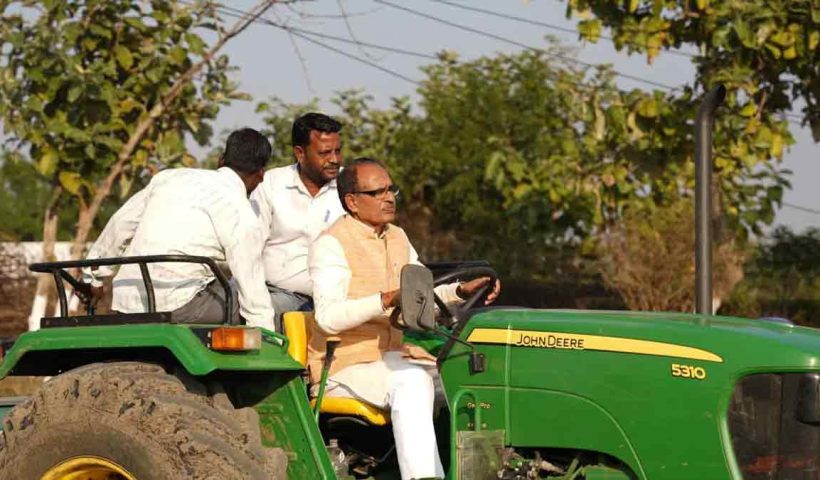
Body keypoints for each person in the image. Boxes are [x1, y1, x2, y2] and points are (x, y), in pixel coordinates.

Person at [307, 157, 501, 480]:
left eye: (391, 189)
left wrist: (462, 292)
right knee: (412, 382)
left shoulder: (398, 237)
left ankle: (487, 472)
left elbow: (424, 298)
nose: (389, 198)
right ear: (352, 202)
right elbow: (327, 317)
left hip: (397, 356)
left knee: (470, 375)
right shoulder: (330, 244)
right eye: (378, 192)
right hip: (343, 365)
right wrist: (385, 300)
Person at [79, 128, 276, 330]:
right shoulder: (240, 209)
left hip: (128, 299)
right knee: (269, 303)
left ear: (221, 159)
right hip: (180, 305)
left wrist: (93, 276)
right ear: (261, 174)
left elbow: (121, 224)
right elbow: (249, 278)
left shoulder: (169, 177)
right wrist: (265, 332)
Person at [250, 113, 345, 330]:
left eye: (337, 151)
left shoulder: (349, 186)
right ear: (300, 153)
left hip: (330, 299)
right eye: (324, 152)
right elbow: (250, 245)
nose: (335, 159)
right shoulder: (270, 184)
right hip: (272, 291)